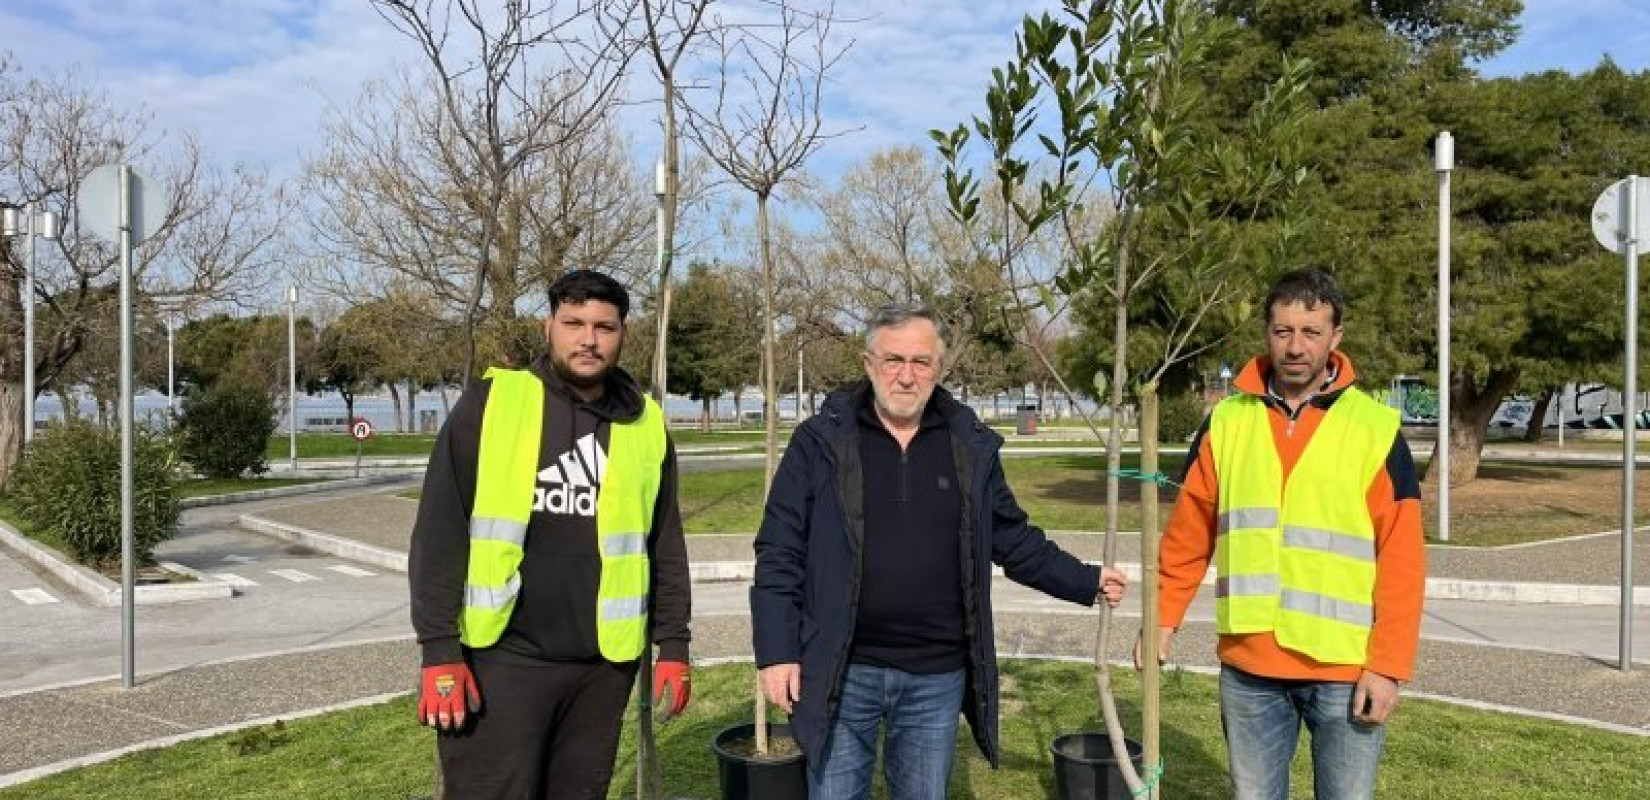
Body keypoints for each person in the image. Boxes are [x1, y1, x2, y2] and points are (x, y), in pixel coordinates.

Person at [750, 302, 1128, 800]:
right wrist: (777, 652)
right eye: (892, 360)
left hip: (935, 675)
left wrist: (1084, 579)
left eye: (920, 362)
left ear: (939, 369)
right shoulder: (819, 442)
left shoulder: (968, 446)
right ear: (868, 364)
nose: (905, 376)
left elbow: (1012, 537)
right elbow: (780, 549)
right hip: (842, 670)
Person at [1140, 268, 1425, 800]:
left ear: (1336, 338)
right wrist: (1162, 617)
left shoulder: (1376, 430)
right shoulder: (1226, 422)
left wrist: (1387, 668)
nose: (1296, 347)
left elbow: (1402, 561)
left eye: (1311, 332)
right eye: (1283, 331)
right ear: (1266, 333)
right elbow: (1188, 536)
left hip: (1346, 671)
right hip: (1250, 671)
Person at [409, 270, 692, 799]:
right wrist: (439, 650)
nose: (589, 338)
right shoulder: (492, 403)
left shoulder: (647, 423)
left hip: (603, 668)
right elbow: (439, 530)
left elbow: (664, 543)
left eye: (604, 326)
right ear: (549, 327)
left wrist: (673, 642)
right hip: (501, 660)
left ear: (623, 334)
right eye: (574, 323)